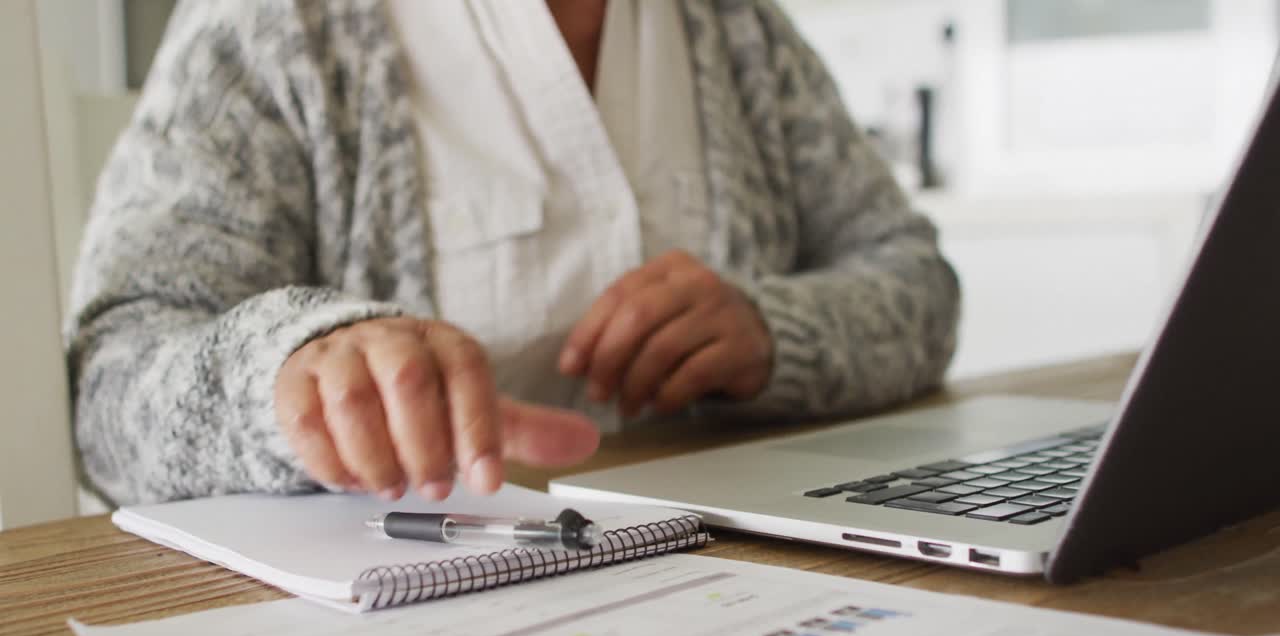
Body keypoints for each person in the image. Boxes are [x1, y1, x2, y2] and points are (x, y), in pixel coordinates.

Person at [66, 0, 961, 506]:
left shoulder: (736, 29)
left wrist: (774, 333)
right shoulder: (277, 30)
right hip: (401, 630)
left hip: (738, 587)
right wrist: (292, 370)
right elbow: (107, 387)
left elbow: (917, 282)